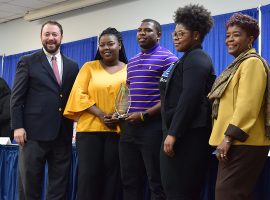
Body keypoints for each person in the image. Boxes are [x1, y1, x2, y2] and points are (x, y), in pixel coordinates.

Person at [208, 13, 270, 200]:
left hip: (243, 142)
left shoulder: (252, 63)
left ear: (250, 39)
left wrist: (229, 138)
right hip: (240, 141)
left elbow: (247, 105)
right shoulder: (238, 65)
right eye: (228, 35)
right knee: (238, 194)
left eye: (236, 34)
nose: (230, 39)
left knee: (227, 195)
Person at [11, 20, 79, 200]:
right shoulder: (27, 62)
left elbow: (73, 98)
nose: (51, 38)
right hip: (33, 135)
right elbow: (17, 97)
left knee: (59, 186)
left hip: (62, 134)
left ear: (61, 37)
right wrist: (17, 126)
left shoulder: (72, 66)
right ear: (41, 37)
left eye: (54, 34)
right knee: (30, 184)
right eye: (47, 34)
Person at [64, 27, 127, 200]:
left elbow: (131, 98)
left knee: (113, 179)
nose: (106, 48)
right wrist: (100, 114)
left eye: (110, 44)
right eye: (102, 44)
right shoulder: (89, 67)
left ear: (119, 45)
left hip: (117, 131)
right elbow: (78, 93)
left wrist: (118, 117)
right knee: (88, 177)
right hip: (89, 132)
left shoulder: (129, 69)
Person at [159, 4, 215, 200]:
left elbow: (189, 98)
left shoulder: (197, 59)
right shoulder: (185, 59)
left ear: (196, 35)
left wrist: (173, 133)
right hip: (181, 133)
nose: (175, 37)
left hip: (189, 137)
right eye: (174, 33)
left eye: (181, 33)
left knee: (181, 193)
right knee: (173, 190)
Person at [119, 19, 178, 200]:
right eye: (139, 30)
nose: (142, 33)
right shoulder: (133, 62)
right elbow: (127, 92)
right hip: (129, 128)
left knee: (155, 181)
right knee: (129, 181)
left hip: (152, 128)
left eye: (147, 30)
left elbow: (170, 98)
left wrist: (144, 116)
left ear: (158, 35)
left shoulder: (169, 59)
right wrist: (121, 111)